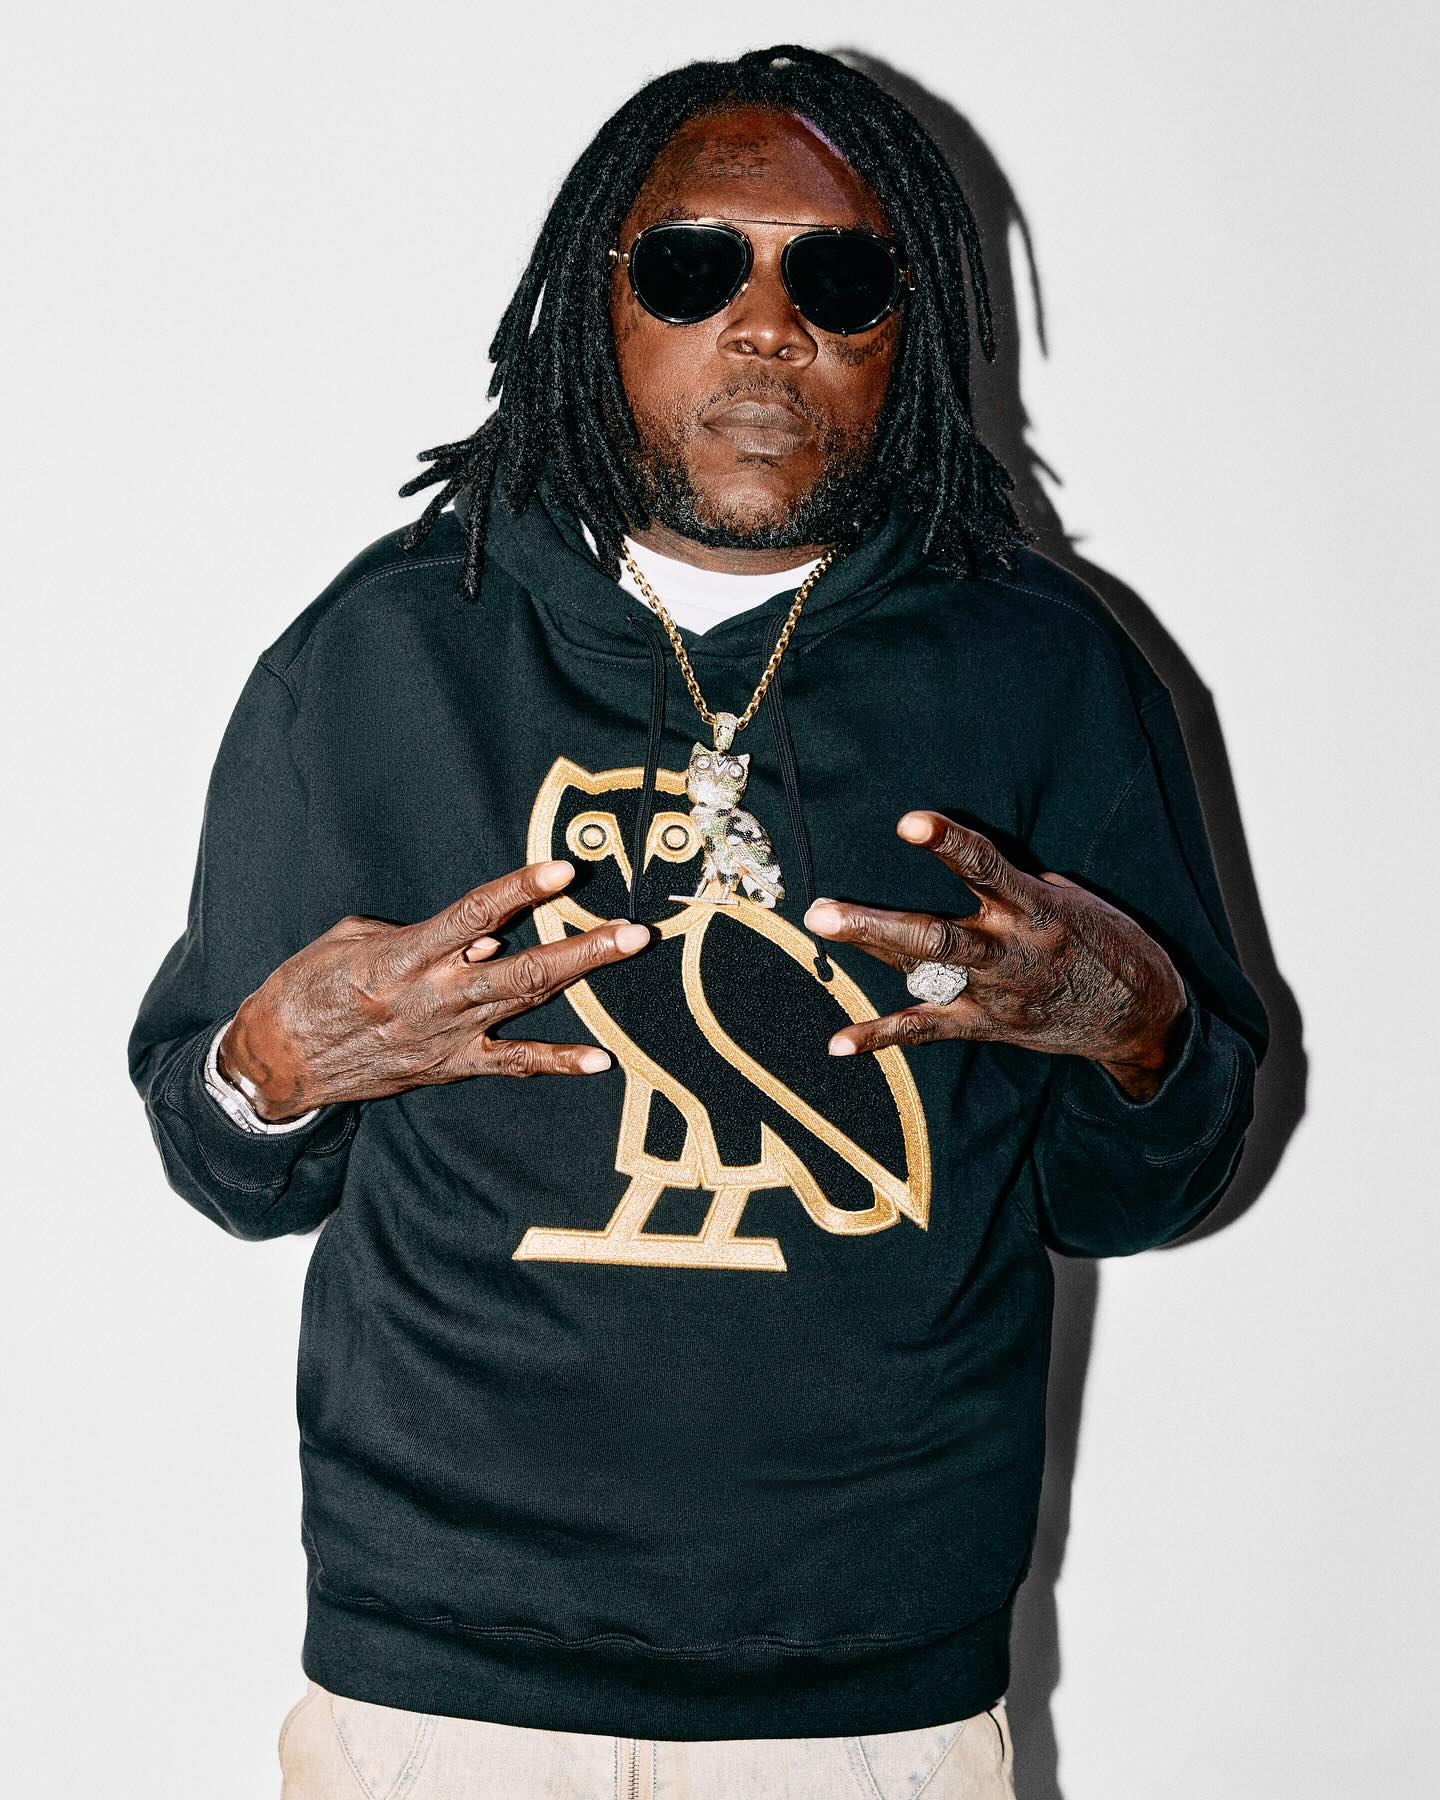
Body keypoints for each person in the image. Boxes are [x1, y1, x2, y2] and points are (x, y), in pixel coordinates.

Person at [127, 42, 1268, 1800]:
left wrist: (1139, 1027)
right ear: (597, 303)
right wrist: (272, 1063)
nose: (765, 325)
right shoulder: (386, 657)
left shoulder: (1042, 674)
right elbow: (223, 1161)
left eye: (839, 279)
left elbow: (1149, 1187)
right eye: (691, 266)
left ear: (906, 331)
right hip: (446, 1679)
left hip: (874, 1689)